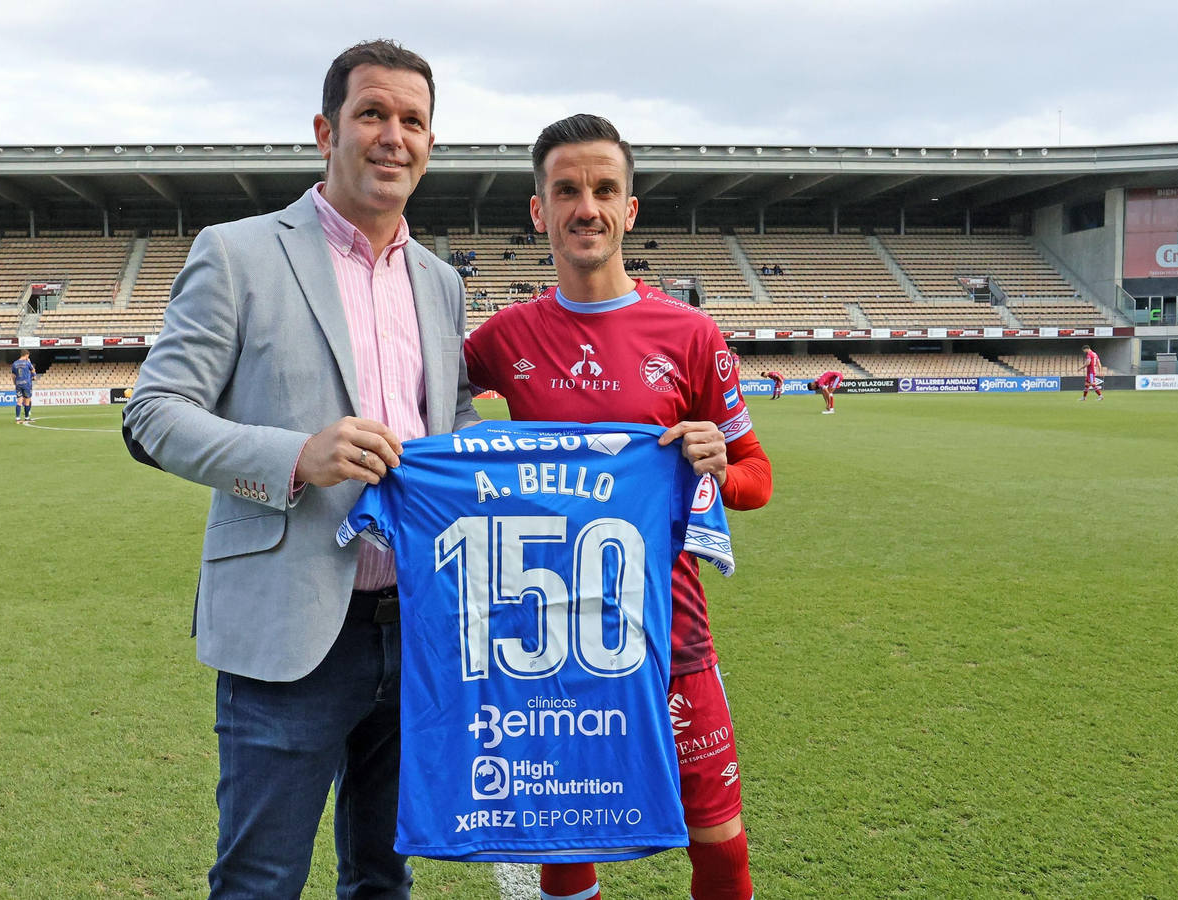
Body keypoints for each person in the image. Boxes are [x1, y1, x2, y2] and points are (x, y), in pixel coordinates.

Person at [120, 40, 476, 900]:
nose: (394, 136)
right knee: (260, 881)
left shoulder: (440, 280)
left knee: (385, 880)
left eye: (413, 121)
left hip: (414, 627)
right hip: (289, 635)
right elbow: (151, 414)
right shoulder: (238, 253)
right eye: (372, 114)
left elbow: (450, 420)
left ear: (430, 144)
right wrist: (295, 457)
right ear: (326, 130)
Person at [463, 114, 771, 900]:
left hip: (672, 631)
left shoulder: (692, 336)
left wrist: (715, 466)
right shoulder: (505, 338)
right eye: (566, 190)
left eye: (604, 189)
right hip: (553, 638)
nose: (585, 207)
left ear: (630, 209)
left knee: (721, 845)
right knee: (569, 846)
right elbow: (421, 410)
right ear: (540, 211)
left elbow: (757, 477)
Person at [11, 350, 36, 422]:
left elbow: (13, 375)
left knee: (19, 401)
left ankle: (17, 418)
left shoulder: (15, 363)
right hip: (26, 383)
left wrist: (15, 383)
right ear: (27, 355)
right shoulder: (27, 363)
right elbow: (33, 370)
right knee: (27, 401)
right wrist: (34, 376)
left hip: (18, 383)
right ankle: (27, 417)